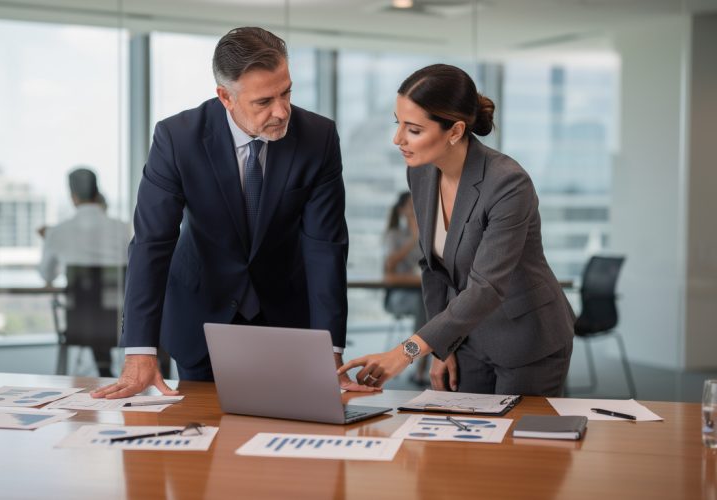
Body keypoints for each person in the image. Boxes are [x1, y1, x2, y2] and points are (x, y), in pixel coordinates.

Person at [93, 27, 375, 400]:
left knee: (288, 430)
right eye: (264, 101)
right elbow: (152, 243)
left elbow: (325, 247)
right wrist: (140, 349)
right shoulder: (178, 138)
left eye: (286, 93)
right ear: (226, 97)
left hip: (286, 318)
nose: (282, 111)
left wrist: (330, 350)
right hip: (200, 316)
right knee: (200, 429)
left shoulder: (317, 137)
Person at [339, 64, 575, 397]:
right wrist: (442, 345)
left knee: (518, 432)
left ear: (455, 131)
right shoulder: (421, 173)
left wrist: (406, 352)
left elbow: (487, 286)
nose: (398, 139)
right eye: (398, 123)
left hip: (526, 337)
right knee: (461, 428)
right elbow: (432, 267)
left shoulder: (507, 183)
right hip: (468, 335)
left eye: (413, 129)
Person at [38, 167, 130, 285]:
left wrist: (48, 239)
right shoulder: (126, 229)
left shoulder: (56, 232)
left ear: (73, 197)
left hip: (78, 297)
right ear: (97, 194)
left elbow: (47, 275)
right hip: (119, 297)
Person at [382, 192, 428, 386]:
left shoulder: (426, 234)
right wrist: (413, 239)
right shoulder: (394, 235)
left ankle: (427, 365)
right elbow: (389, 267)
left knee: (433, 301)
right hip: (398, 296)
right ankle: (419, 366)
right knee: (425, 303)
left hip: (421, 290)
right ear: (401, 210)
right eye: (410, 205)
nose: (415, 208)